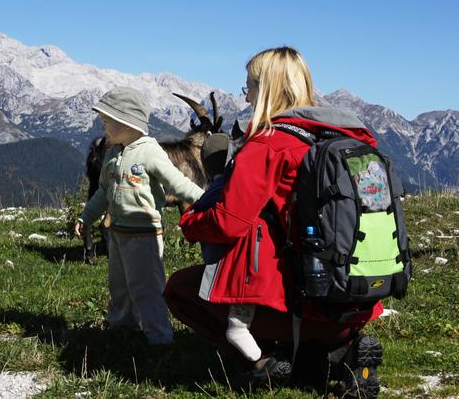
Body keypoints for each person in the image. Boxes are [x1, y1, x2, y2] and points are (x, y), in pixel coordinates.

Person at [164, 47, 384, 394]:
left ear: (266, 89)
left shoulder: (268, 144)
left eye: (249, 85)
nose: (246, 95)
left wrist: (190, 223)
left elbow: (228, 223)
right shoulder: (347, 137)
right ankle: (342, 351)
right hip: (356, 301)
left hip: (296, 305)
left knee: (179, 289)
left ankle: (262, 362)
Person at [75, 86, 204, 345]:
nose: (103, 128)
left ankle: (159, 336)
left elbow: (178, 183)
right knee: (119, 286)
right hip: (118, 235)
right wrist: (85, 218)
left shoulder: (150, 151)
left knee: (147, 288)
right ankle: (123, 327)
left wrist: (207, 201)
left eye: (106, 122)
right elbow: (103, 193)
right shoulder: (113, 154)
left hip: (145, 236)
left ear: (127, 121)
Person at [196, 132, 264, 363]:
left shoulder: (218, 188)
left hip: (226, 268)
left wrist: (189, 220)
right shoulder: (248, 183)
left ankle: (229, 348)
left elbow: (200, 217)